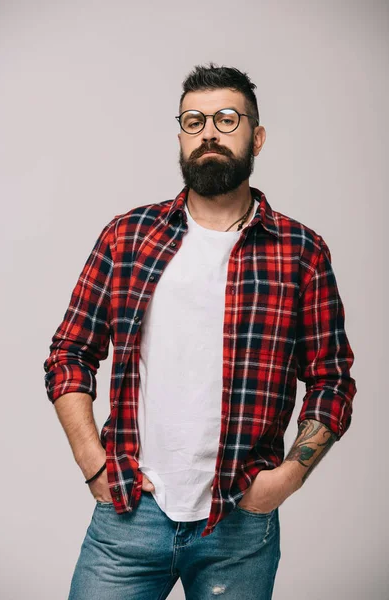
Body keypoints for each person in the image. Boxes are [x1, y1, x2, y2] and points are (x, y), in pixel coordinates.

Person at [43, 62, 357, 600]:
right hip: (129, 513)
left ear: (256, 137)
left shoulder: (300, 251)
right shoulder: (128, 236)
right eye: (193, 121)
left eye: (226, 119)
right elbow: (69, 353)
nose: (208, 132)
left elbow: (332, 381)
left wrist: (287, 478)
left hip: (239, 522)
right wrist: (93, 462)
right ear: (181, 136)